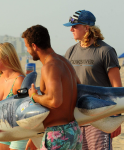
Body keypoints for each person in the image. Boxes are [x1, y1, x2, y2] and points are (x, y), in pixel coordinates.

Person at [63, 10, 122, 150]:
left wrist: (115, 120)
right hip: (76, 121)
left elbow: (116, 87)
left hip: (99, 120)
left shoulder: (105, 51)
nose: (71, 29)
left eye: (75, 26)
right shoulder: (70, 52)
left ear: (87, 27)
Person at [21, 25, 82, 150]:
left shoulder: (50, 66)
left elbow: (55, 101)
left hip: (58, 134)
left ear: (34, 46)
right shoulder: (64, 62)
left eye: (27, 46)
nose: (27, 50)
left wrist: (34, 96)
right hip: (73, 129)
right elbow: (79, 87)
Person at [0, 42, 28, 150]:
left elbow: (28, 110)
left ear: (6, 57)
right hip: (3, 132)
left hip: (20, 133)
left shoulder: (19, 80)